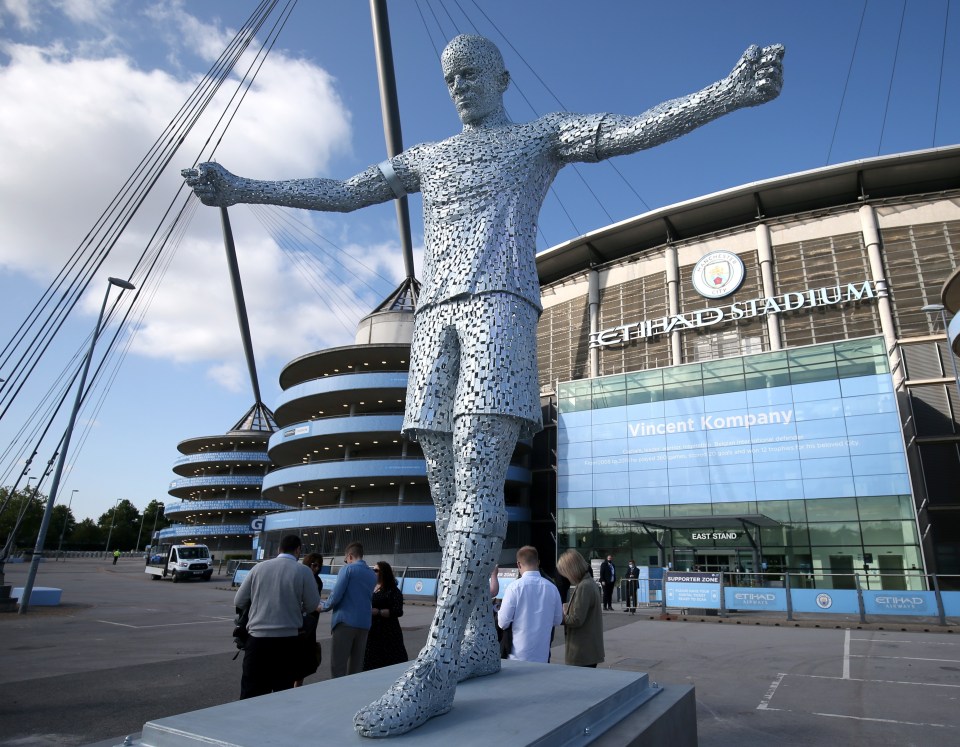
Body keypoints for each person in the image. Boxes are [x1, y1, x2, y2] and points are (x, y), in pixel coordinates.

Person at [184, 34, 783, 736]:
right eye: (449, 79)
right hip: (433, 320)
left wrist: (728, 93)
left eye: (471, 73)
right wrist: (244, 189)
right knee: (445, 495)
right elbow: (347, 191)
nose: (460, 86)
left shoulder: (537, 138)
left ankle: (436, 664)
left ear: (500, 77)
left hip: (499, 305)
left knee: (474, 484)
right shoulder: (430, 158)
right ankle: (473, 639)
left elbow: (629, 130)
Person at [233, 534, 320, 699]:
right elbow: (311, 606)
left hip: (257, 641)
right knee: (281, 695)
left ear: (279, 549)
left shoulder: (259, 568)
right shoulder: (303, 571)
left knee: (251, 694)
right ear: (298, 550)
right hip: (287, 642)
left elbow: (239, 600)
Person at [319, 542, 377, 678]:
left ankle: (339, 696)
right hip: (364, 624)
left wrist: (323, 607)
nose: (346, 562)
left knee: (338, 666)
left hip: (345, 622)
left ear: (350, 556)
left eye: (345, 560)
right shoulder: (372, 574)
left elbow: (336, 595)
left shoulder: (347, 570)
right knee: (356, 667)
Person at [497, 546, 562, 663]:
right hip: (543, 654)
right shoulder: (552, 588)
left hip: (518, 655)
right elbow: (557, 620)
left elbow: (503, 622)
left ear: (518, 564)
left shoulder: (514, 588)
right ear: (538, 562)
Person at [557, 549, 604, 668]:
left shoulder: (584, 586)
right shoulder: (588, 583)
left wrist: (559, 617)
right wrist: (568, 607)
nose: (565, 576)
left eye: (565, 572)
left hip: (582, 652)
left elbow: (576, 619)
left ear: (571, 570)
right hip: (588, 650)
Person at [363, 561, 408, 671]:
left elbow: (398, 611)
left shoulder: (393, 590)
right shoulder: (371, 587)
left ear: (384, 573)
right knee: (370, 661)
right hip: (372, 630)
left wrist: (378, 612)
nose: (373, 572)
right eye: (372, 570)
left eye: (376, 570)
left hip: (388, 631)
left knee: (389, 661)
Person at [294, 552, 325, 687]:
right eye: (314, 565)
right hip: (298, 623)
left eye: (319, 566)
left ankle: (297, 686)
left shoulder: (318, 581)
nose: (316, 568)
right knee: (294, 658)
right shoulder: (300, 576)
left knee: (304, 662)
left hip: (311, 624)